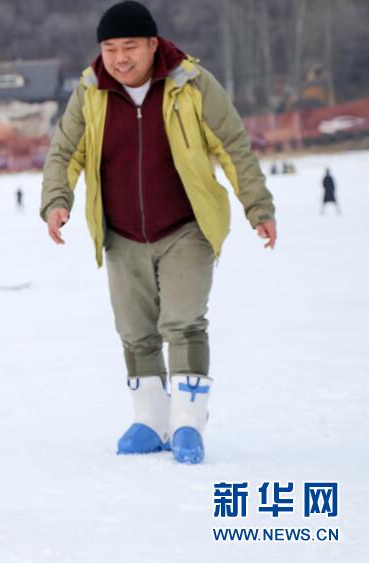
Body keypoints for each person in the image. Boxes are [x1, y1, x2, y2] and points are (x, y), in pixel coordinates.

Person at [40, 1, 276, 464]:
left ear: (153, 45)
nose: (120, 58)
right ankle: (149, 419)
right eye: (110, 48)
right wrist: (56, 201)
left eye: (130, 46)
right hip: (121, 232)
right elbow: (64, 153)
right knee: (134, 331)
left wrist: (257, 205)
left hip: (186, 226)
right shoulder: (91, 93)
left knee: (184, 322)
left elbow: (233, 147)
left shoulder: (191, 85)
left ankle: (187, 422)